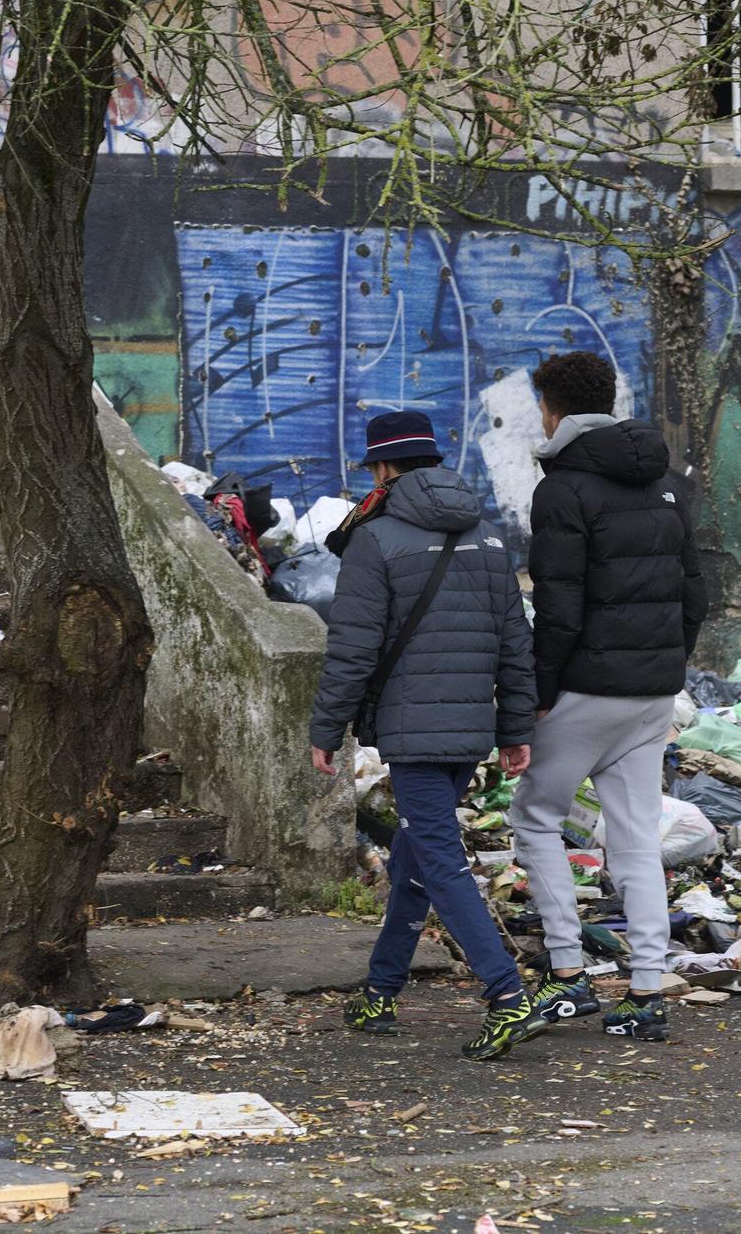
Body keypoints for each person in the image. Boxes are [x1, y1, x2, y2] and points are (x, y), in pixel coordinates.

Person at [309, 409, 543, 1062]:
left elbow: (351, 651)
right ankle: (382, 989)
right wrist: (515, 727)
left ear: (383, 470)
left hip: (413, 734)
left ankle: (507, 994)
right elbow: (514, 643)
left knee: (438, 859)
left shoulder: (374, 541)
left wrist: (327, 728)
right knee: (415, 855)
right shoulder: (491, 538)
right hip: (469, 732)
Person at [507, 353, 707, 1043]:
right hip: (651, 695)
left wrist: (538, 688)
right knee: (635, 837)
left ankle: (567, 973)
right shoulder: (667, 482)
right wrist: (667, 663)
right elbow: (695, 592)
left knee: (535, 816)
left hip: (585, 691)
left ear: (551, 408)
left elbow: (558, 608)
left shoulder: (562, 489)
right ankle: (647, 987)